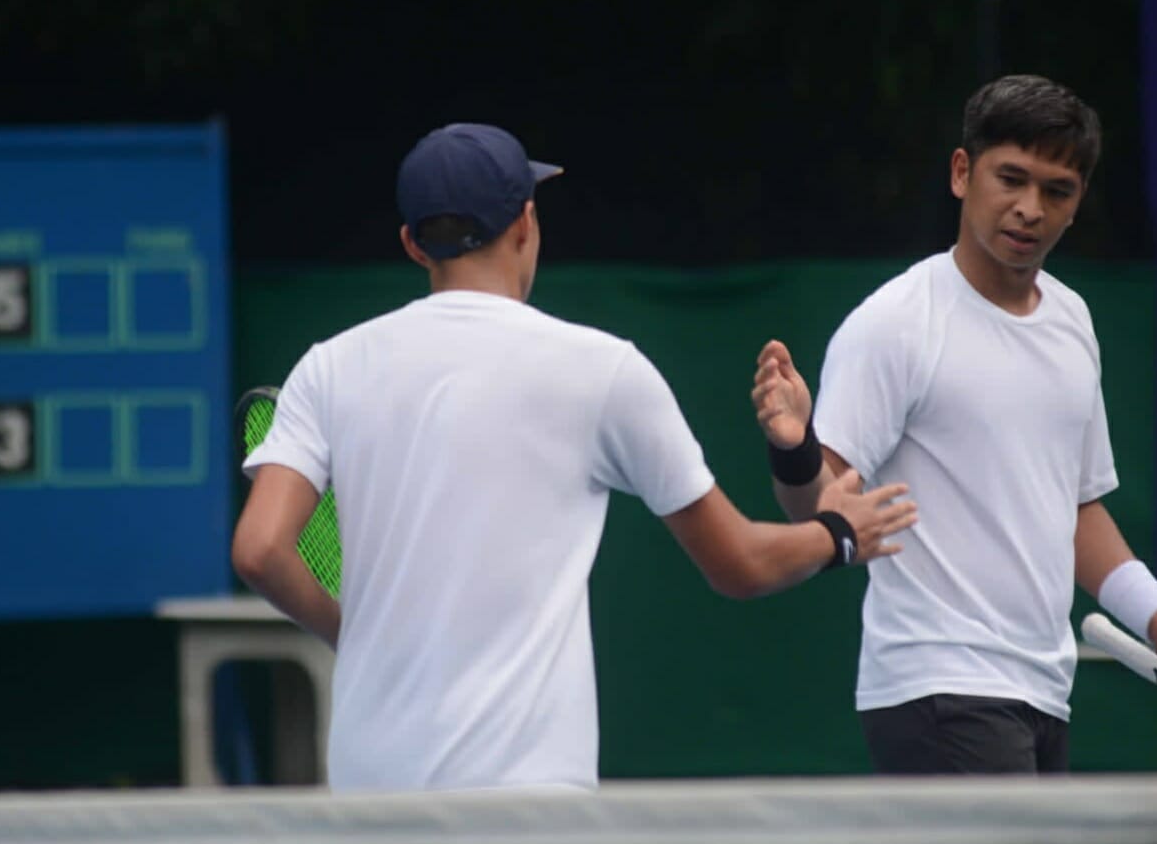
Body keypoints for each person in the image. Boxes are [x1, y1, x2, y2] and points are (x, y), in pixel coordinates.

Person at [231, 122, 918, 792]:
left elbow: (260, 549)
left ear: (414, 244)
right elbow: (737, 562)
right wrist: (837, 535)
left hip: (370, 786)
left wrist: (350, 633)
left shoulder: (327, 368)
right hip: (528, 796)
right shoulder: (604, 369)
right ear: (527, 222)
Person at [751, 74, 1157, 773]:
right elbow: (819, 508)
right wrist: (796, 451)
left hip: (1043, 689)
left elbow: (1078, 509)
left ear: (1078, 202)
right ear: (963, 173)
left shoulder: (1074, 323)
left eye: (1056, 190)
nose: (1029, 209)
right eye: (1012, 179)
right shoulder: (897, 322)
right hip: (938, 687)